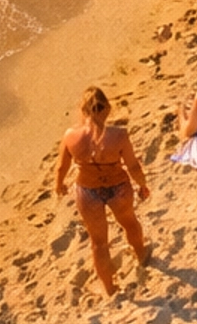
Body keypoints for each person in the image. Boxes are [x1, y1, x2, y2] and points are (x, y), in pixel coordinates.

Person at [56, 86, 151, 295]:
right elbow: (133, 166)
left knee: (99, 243)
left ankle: (109, 288)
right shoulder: (118, 135)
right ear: (107, 108)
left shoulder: (70, 136)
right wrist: (142, 185)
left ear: (82, 110)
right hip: (118, 187)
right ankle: (142, 255)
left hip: (88, 191)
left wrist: (59, 184)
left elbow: (62, 167)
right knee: (129, 222)